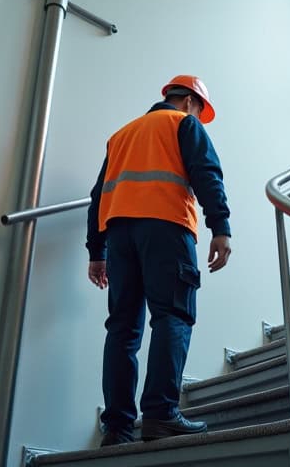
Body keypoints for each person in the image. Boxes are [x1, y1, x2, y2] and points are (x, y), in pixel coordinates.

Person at [86, 75, 232, 447]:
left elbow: (97, 195)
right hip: (167, 229)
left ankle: (117, 427)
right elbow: (206, 173)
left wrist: (96, 251)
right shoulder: (183, 124)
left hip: (119, 235)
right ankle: (161, 413)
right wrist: (220, 227)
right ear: (189, 103)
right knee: (173, 315)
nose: (198, 117)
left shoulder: (122, 135)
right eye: (200, 111)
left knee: (122, 330)